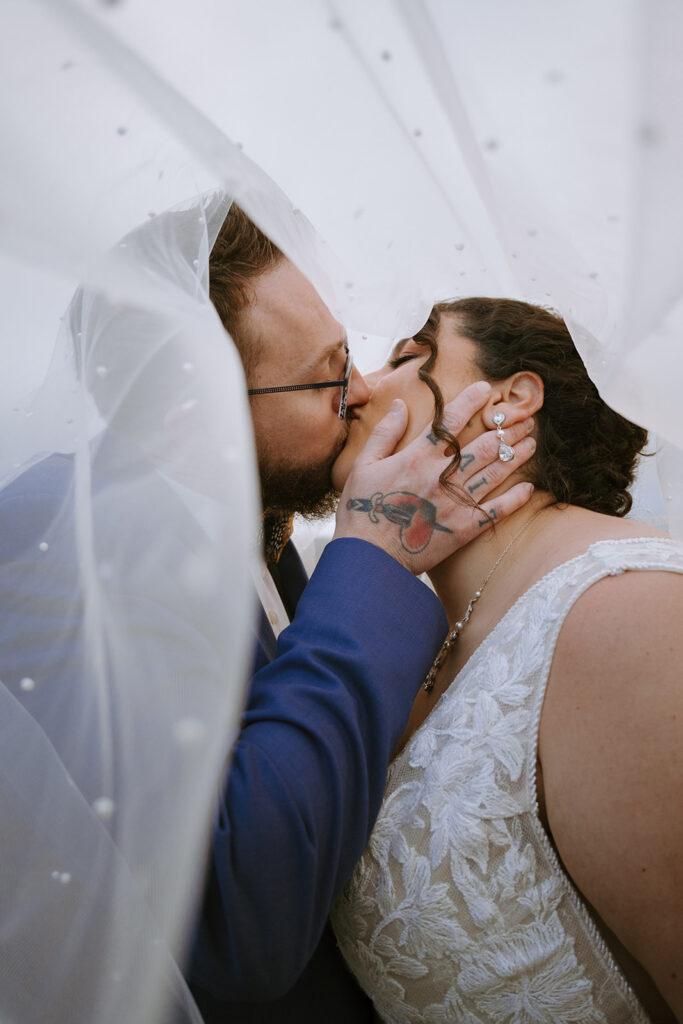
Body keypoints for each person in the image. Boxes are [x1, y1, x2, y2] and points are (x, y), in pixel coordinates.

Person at [0, 199, 535, 1023]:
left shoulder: (258, 520)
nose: (358, 392)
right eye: (327, 375)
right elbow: (241, 917)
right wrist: (373, 559)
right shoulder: (54, 554)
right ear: (197, 420)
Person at [330, 297, 683, 1024]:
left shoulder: (629, 607)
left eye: (407, 354)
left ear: (510, 399)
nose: (360, 384)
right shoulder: (429, 638)